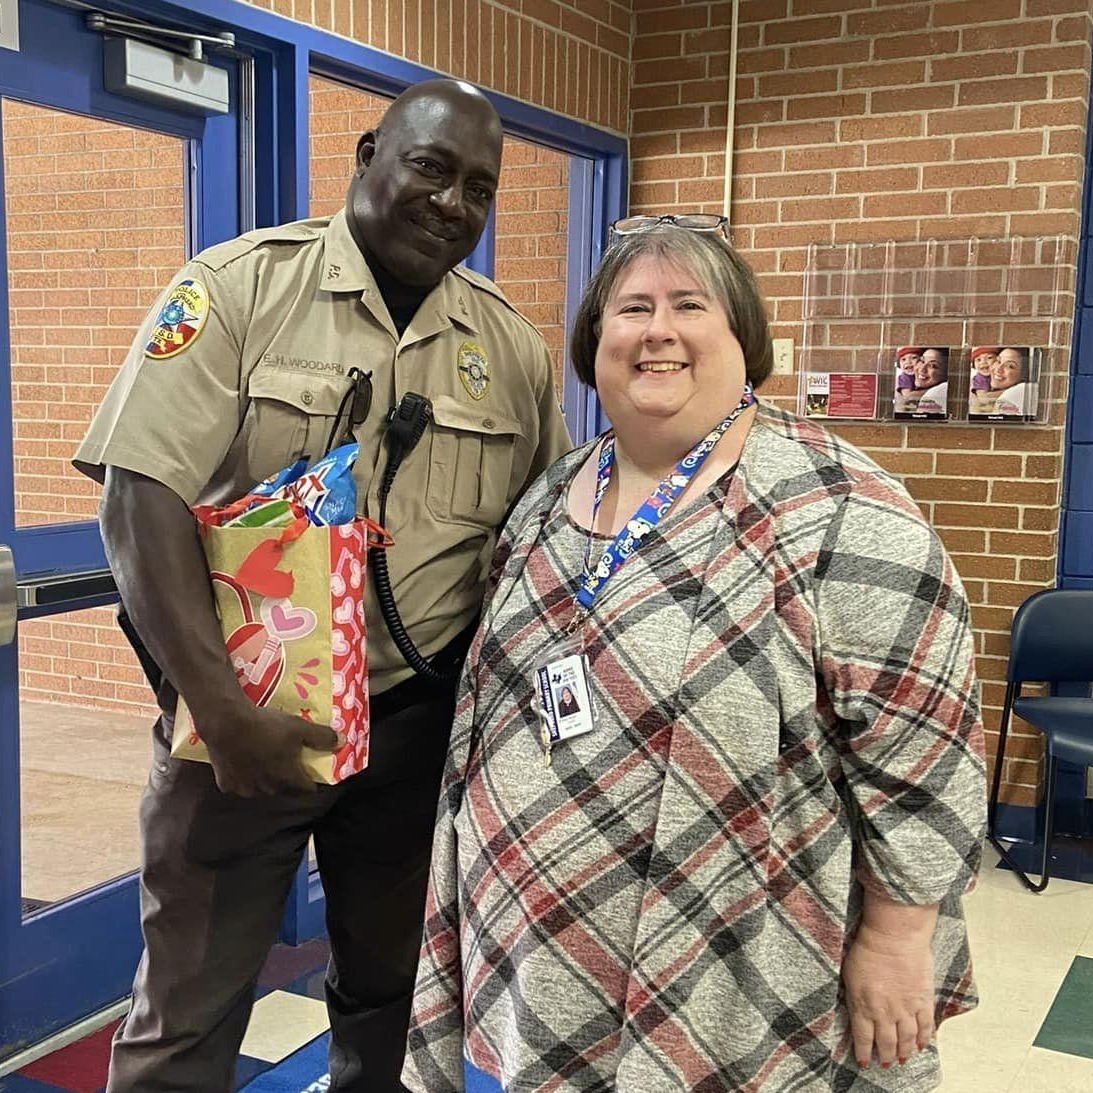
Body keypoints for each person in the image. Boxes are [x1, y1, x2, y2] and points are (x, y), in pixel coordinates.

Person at [403, 218, 985, 1092]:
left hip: (742, 967)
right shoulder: (550, 494)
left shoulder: (842, 508)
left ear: (743, 338)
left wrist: (898, 937)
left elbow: (926, 756)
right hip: (539, 952)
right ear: (594, 341)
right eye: (630, 308)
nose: (656, 331)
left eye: (687, 305)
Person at [72, 78, 571, 1093]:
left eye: (479, 188)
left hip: (414, 739)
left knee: (392, 999)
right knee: (187, 1014)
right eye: (431, 167)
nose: (451, 204)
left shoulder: (511, 349)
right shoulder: (242, 288)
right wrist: (216, 704)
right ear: (367, 153)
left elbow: (542, 542)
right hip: (242, 724)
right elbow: (139, 498)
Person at [970, 346, 1036, 418]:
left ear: (1024, 374)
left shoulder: (1021, 394)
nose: (998, 369)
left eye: (1010, 366)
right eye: (998, 361)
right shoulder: (980, 378)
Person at [895, 346, 948, 416]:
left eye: (933, 366)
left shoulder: (938, 392)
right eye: (922, 361)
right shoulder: (905, 377)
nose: (922, 369)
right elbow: (907, 397)